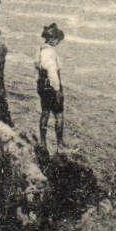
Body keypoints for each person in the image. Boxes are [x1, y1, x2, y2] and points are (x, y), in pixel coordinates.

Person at [36, 23, 66, 153]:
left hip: (42, 85)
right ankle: (60, 145)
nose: (58, 43)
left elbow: (38, 67)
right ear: (53, 39)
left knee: (45, 112)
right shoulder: (51, 53)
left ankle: (43, 142)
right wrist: (58, 90)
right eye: (58, 40)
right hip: (51, 87)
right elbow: (53, 72)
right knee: (59, 115)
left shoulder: (40, 50)